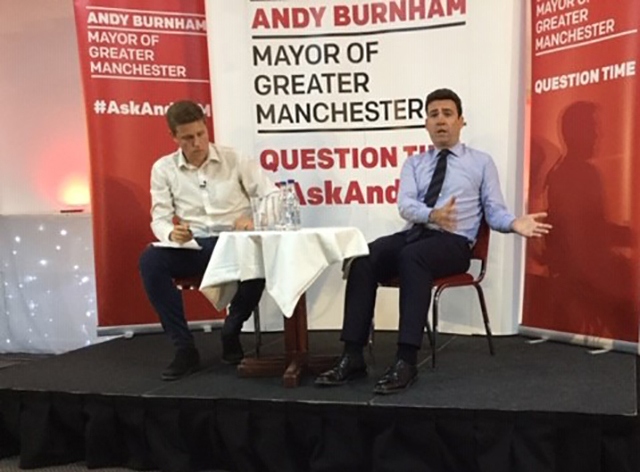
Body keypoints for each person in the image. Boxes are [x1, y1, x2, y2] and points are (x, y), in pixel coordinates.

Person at [315, 88, 551, 394]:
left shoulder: (481, 163)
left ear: (461, 121)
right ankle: (352, 355)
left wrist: (514, 223)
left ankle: (406, 360)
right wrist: (432, 215)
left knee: (413, 257)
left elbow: (494, 211)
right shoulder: (414, 163)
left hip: (454, 244)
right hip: (415, 234)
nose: (440, 121)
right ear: (426, 123)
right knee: (364, 256)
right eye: (434, 114)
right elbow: (405, 205)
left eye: (448, 114)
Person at [139, 100, 277, 381]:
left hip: (236, 240)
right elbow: (160, 218)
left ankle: (232, 328)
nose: (198, 142)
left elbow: (272, 196)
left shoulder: (234, 158)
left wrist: (255, 219)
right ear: (174, 137)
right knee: (150, 260)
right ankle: (184, 347)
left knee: (260, 252)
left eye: (201, 134)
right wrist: (171, 233)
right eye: (188, 138)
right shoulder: (164, 169)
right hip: (196, 245)